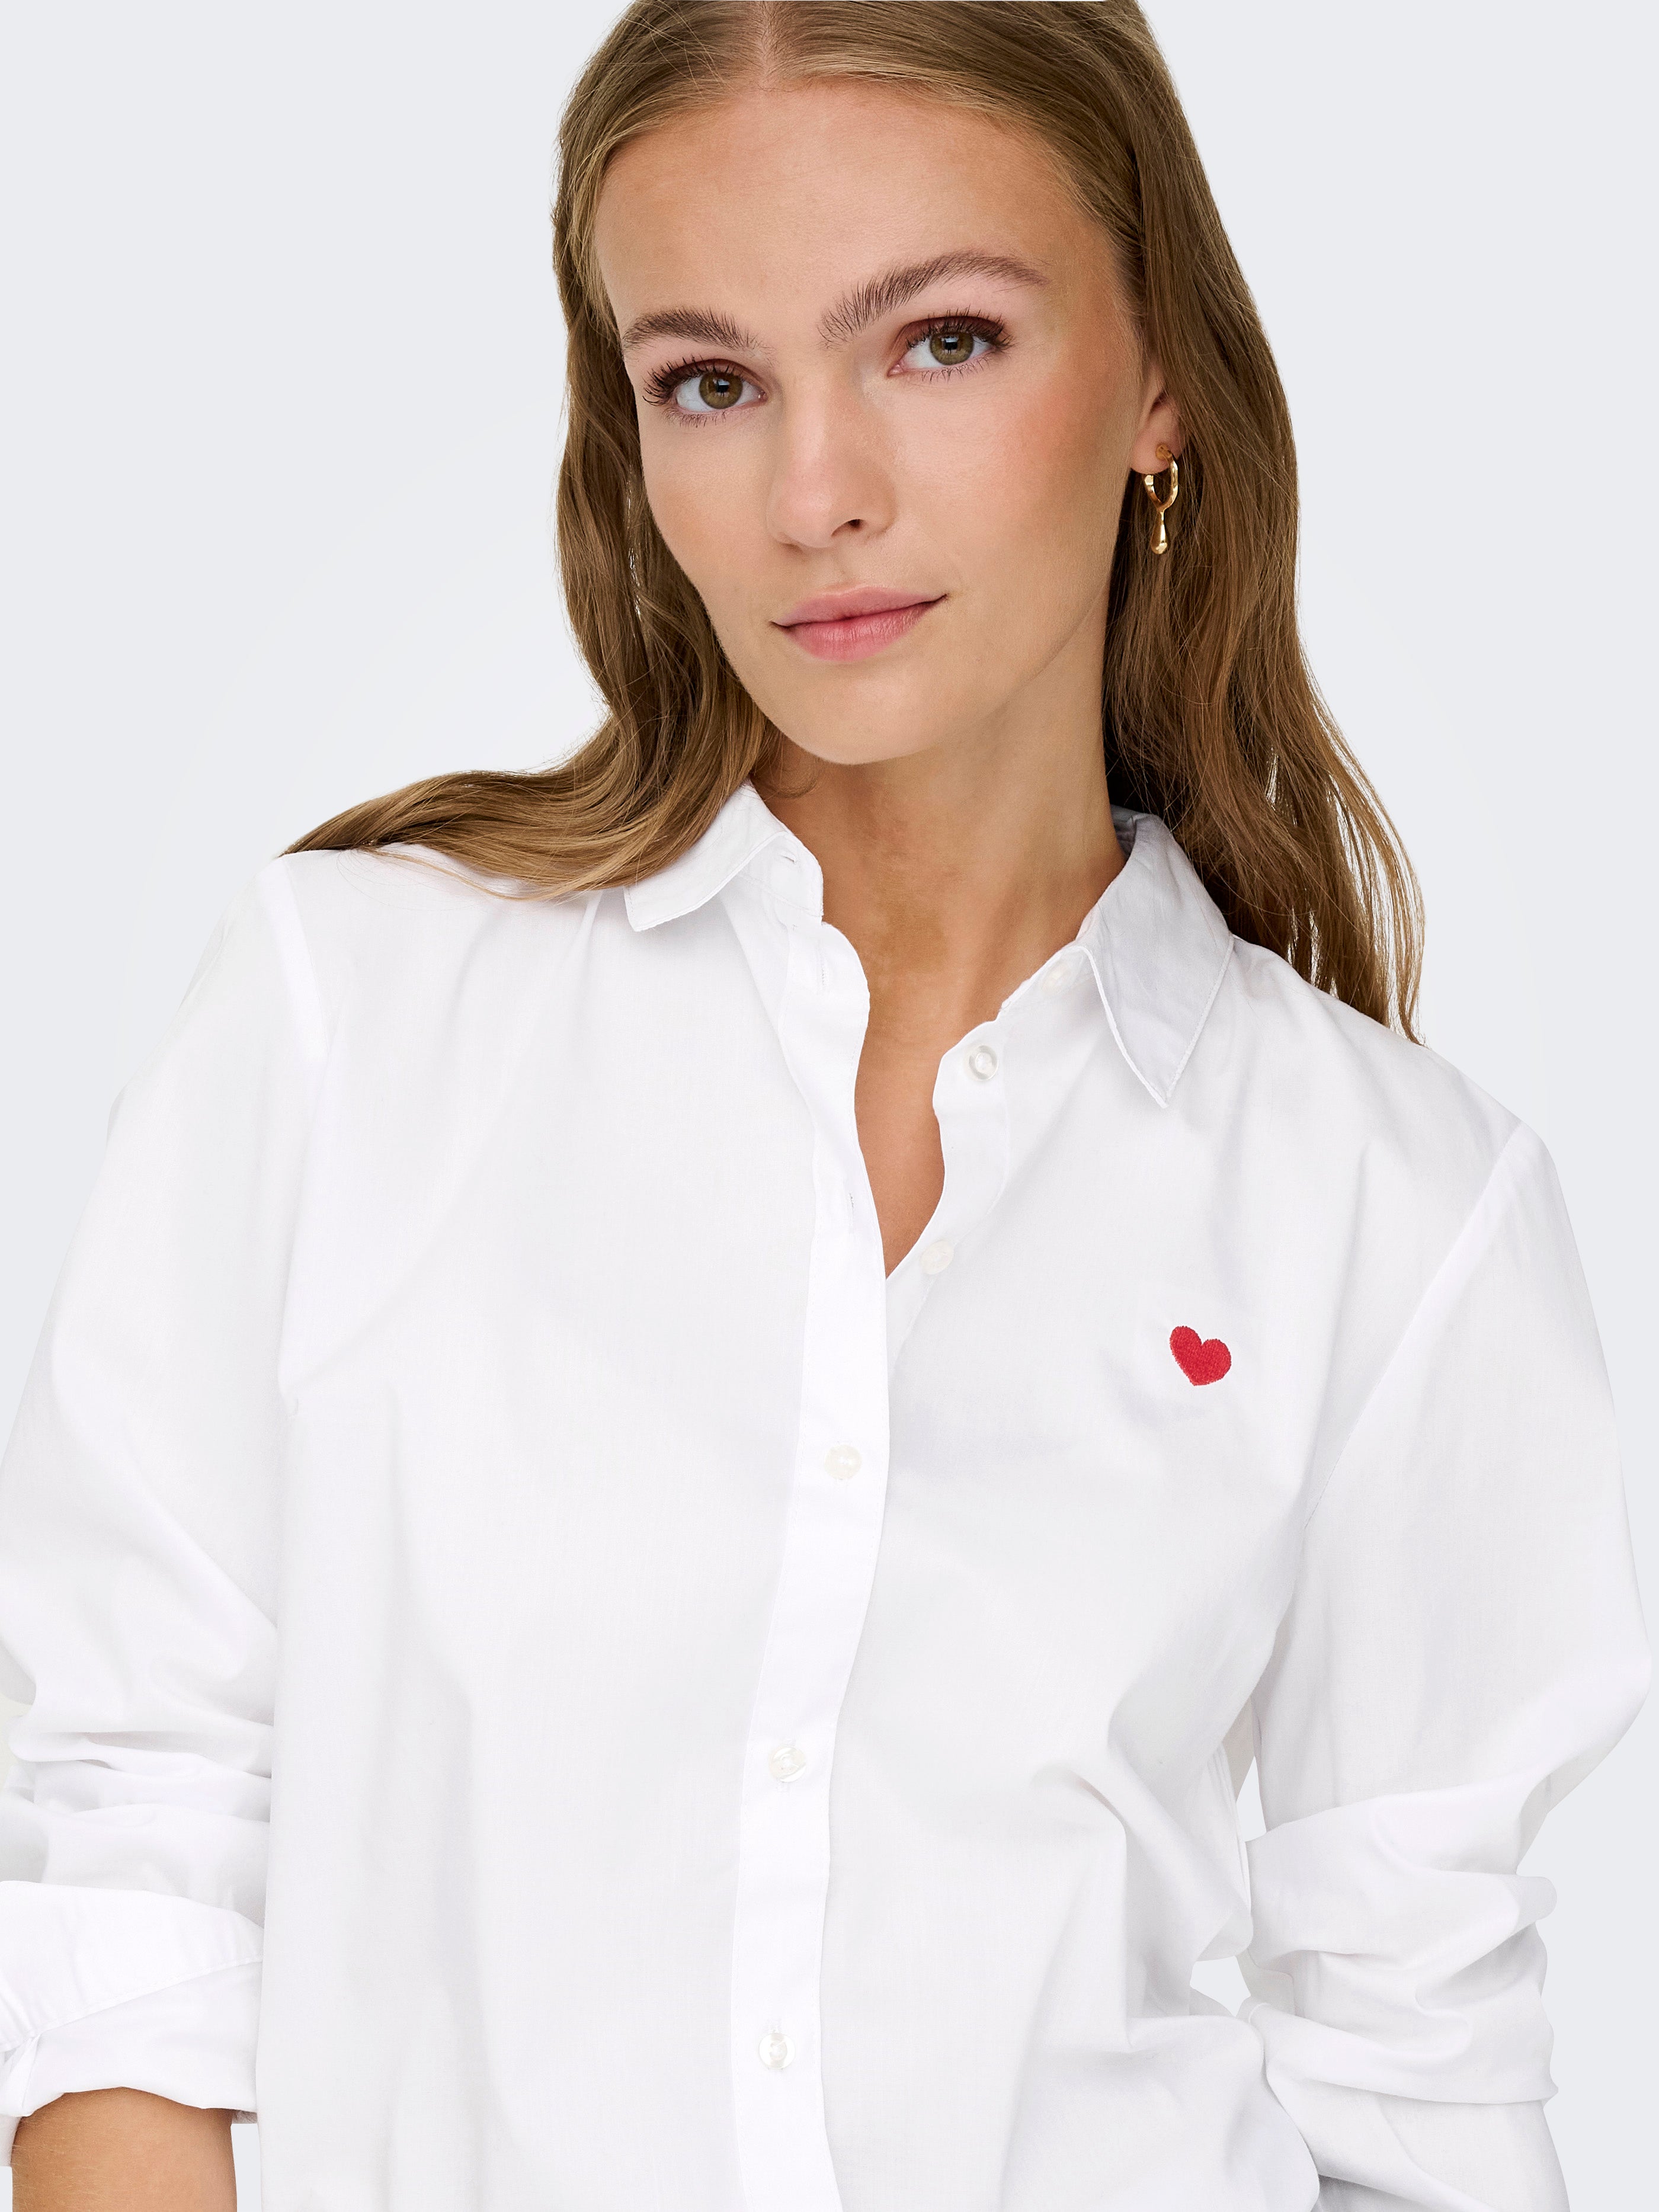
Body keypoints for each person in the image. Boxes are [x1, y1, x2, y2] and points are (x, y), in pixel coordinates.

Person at [0, 4, 1646, 2208]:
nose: (816, 496)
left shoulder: (1394, 1207)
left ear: (1161, 374)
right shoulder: (347, 1018)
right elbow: (126, 1871)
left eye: (943, 342)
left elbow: (1415, 2077)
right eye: (713, 381)